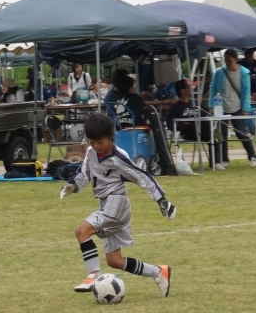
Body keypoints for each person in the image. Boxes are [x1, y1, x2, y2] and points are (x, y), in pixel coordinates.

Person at [59, 112, 176, 297]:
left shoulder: (119, 157)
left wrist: (161, 200)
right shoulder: (91, 153)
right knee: (114, 260)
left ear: (110, 137)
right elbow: (84, 173)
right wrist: (72, 186)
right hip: (105, 204)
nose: (96, 146)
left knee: (82, 231)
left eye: (100, 142)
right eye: (92, 142)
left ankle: (93, 275)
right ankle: (159, 272)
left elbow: (142, 177)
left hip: (117, 204)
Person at [207, 48, 256, 168]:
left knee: (241, 133)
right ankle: (224, 159)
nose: (227, 63)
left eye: (229, 60)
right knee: (222, 135)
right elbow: (213, 89)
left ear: (236, 59)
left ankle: (252, 156)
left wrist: (245, 108)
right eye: (225, 60)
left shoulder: (244, 73)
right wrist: (212, 105)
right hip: (221, 107)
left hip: (237, 107)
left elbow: (246, 91)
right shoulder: (219, 72)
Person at [163, 79, 215, 167]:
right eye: (188, 87)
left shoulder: (196, 103)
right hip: (187, 132)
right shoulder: (175, 108)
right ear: (182, 91)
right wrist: (180, 127)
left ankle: (215, 163)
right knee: (188, 125)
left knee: (211, 134)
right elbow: (170, 123)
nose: (191, 88)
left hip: (201, 131)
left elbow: (206, 115)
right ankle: (213, 134)